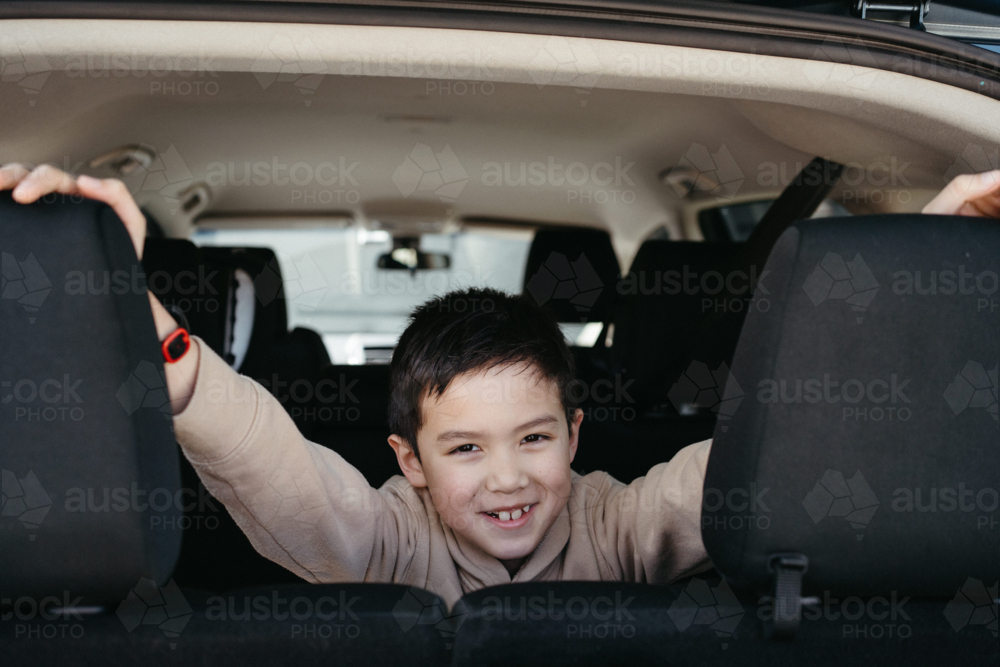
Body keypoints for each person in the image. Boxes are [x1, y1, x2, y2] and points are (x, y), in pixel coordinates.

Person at [2, 163, 998, 607]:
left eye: (532, 437)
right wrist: (137, 317)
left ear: (575, 430)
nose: (507, 478)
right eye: (463, 448)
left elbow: (751, 472)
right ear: (410, 462)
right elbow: (283, 474)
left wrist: (906, 286)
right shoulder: (385, 537)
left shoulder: (619, 522)